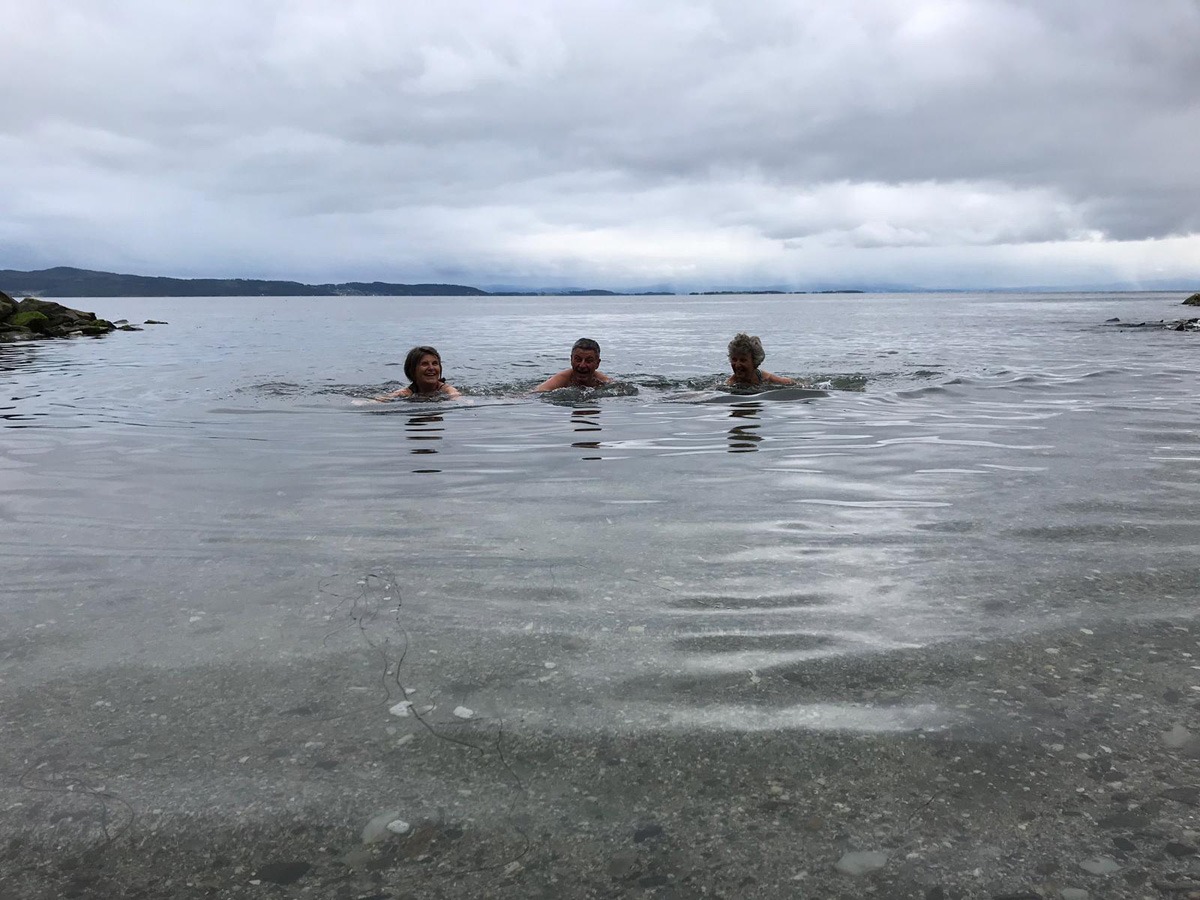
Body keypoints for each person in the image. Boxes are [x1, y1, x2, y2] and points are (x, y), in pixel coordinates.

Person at [373, 346, 462, 400]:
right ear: (412, 370)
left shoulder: (448, 390)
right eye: (424, 364)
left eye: (435, 363)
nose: (431, 368)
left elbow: (455, 395)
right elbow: (386, 398)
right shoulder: (405, 393)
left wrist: (458, 399)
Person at [534, 338, 611, 391]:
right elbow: (534, 394)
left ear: (597, 363)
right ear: (571, 360)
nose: (582, 365)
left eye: (588, 361)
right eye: (578, 359)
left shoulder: (604, 382)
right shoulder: (562, 379)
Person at [726, 333, 795, 387]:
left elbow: (794, 384)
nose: (737, 365)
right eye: (734, 360)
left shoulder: (768, 379)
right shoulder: (729, 384)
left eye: (743, 360)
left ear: (754, 361)